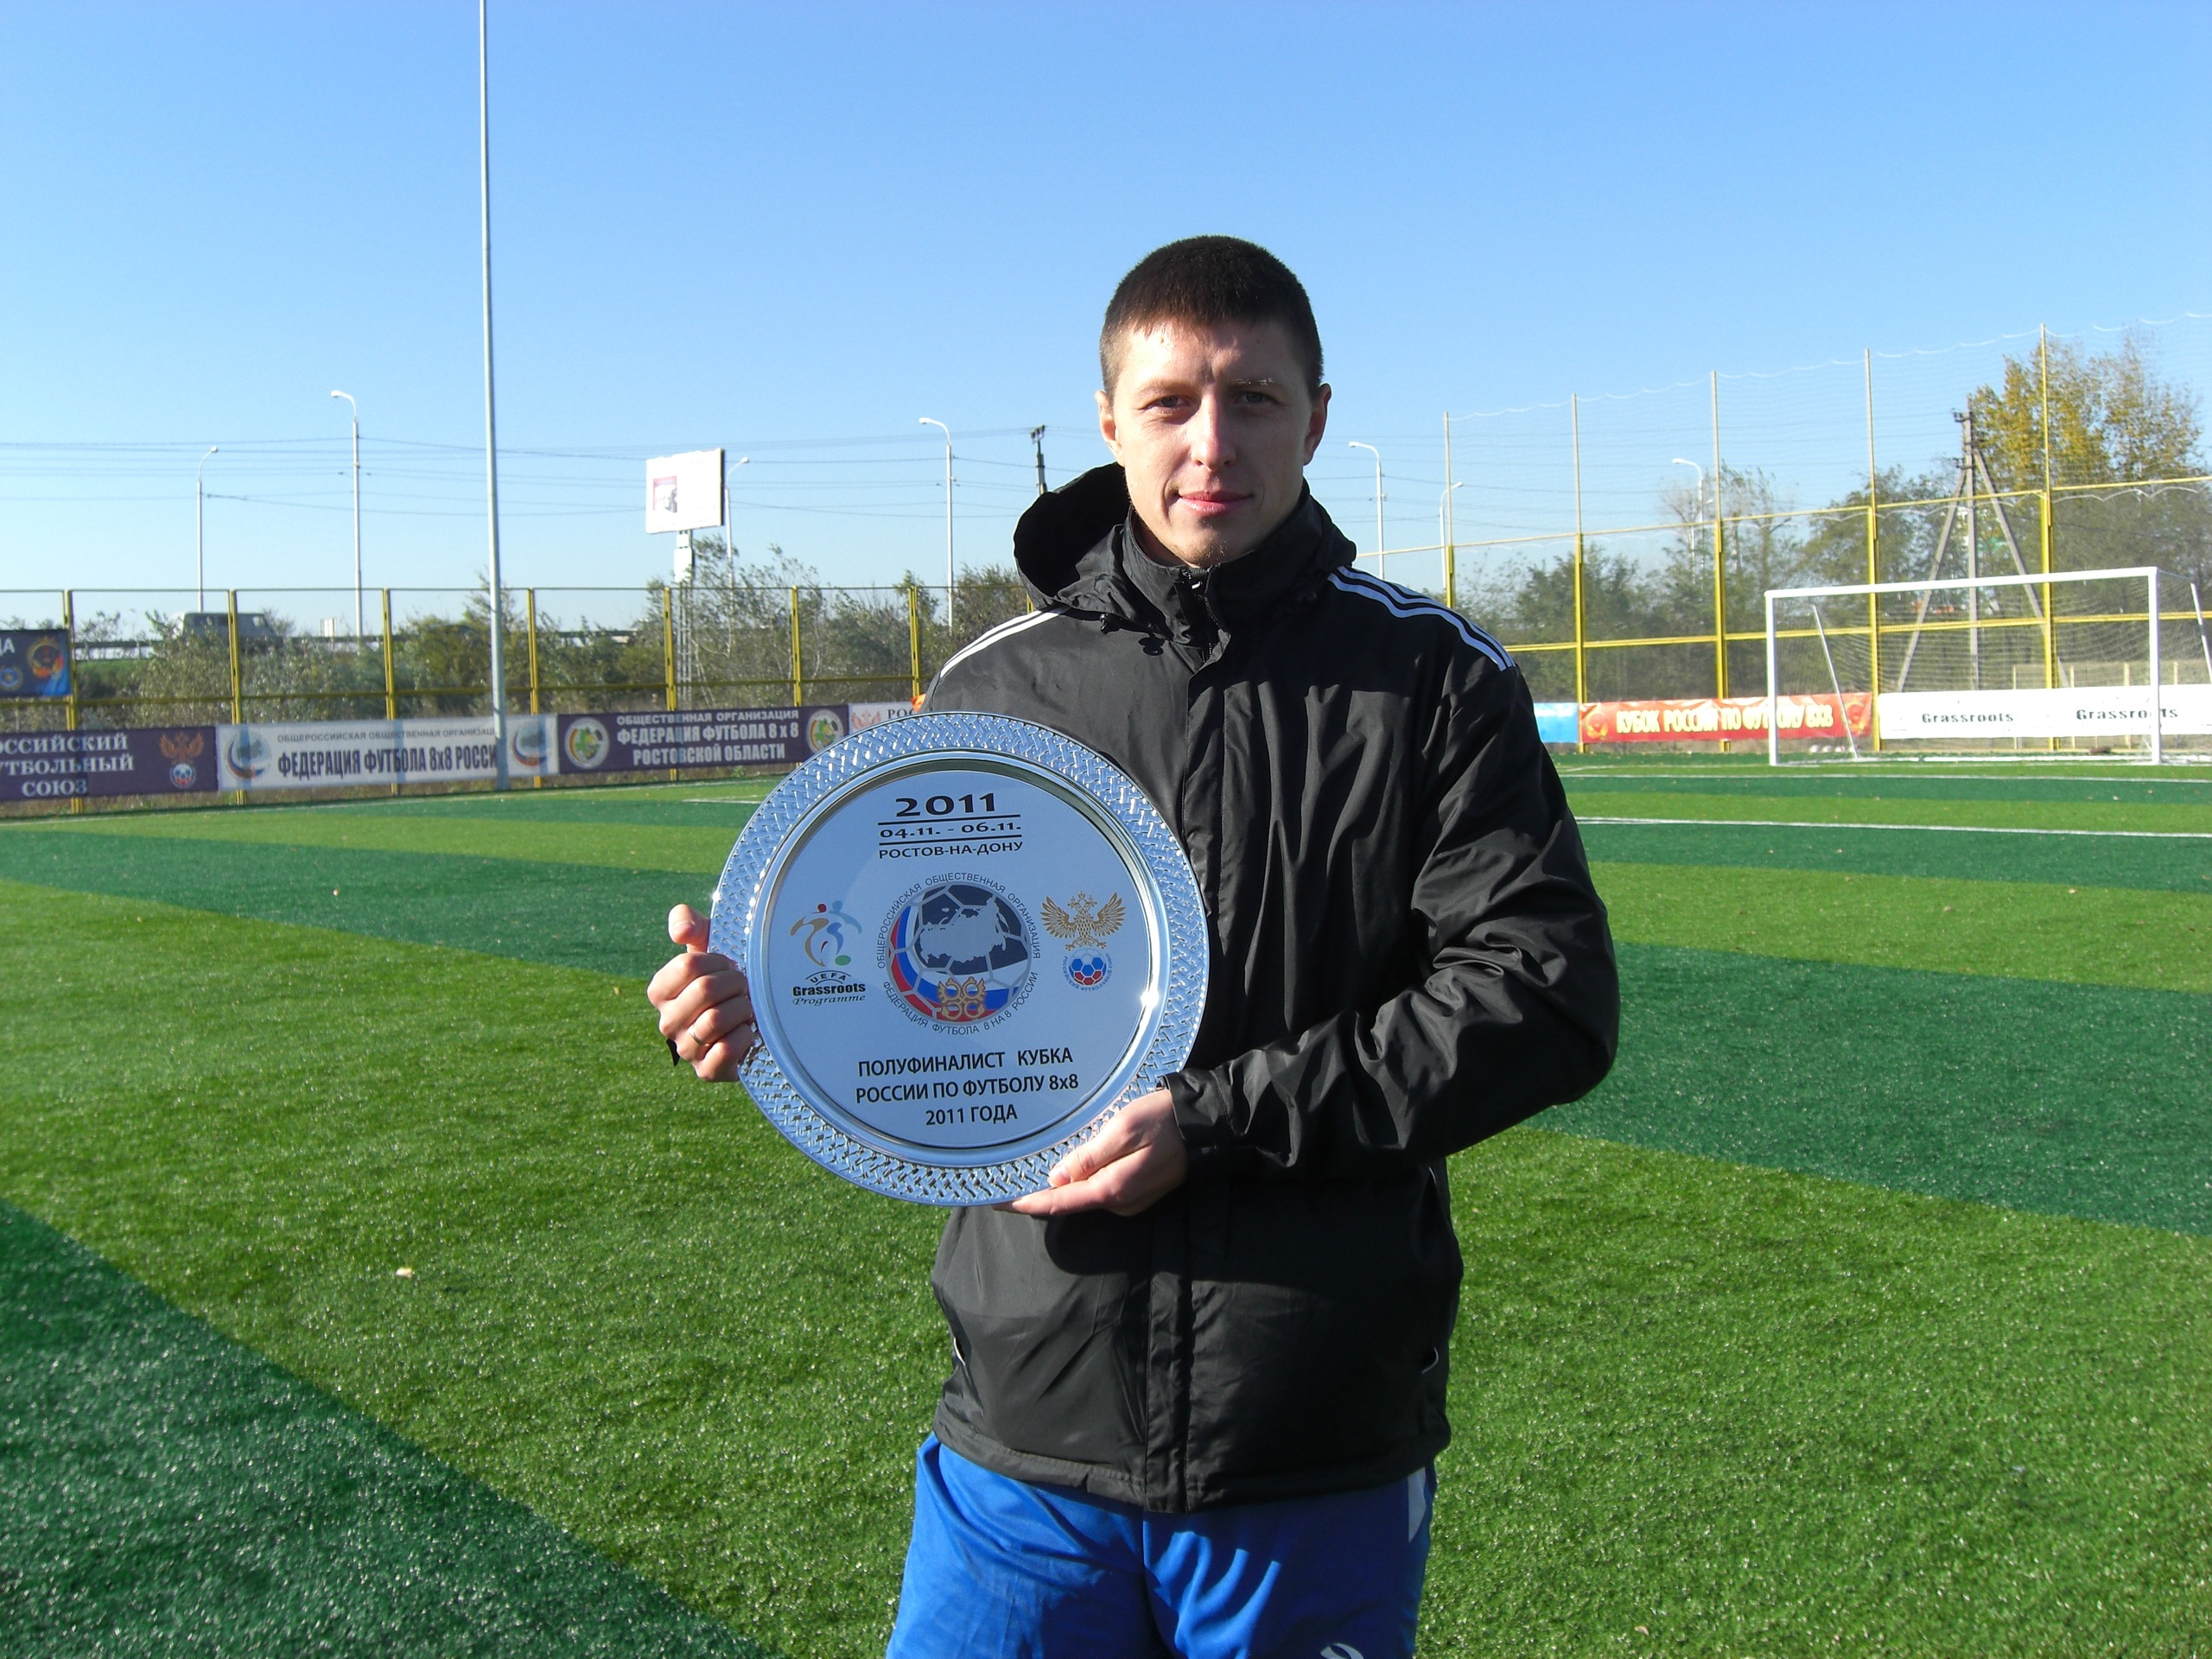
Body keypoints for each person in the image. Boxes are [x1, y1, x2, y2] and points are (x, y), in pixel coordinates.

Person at [649, 236, 1618, 1659]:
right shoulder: (995, 687)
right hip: (1026, 1433)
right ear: (1110, 422)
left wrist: (1215, 1125)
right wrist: (764, 1009)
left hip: (1305, 1436)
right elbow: (906, 972)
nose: (1211, 443)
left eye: (1254, 399)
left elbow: (1544, 997)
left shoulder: (1432, 679)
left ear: (1318, 419)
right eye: (1170, 402)